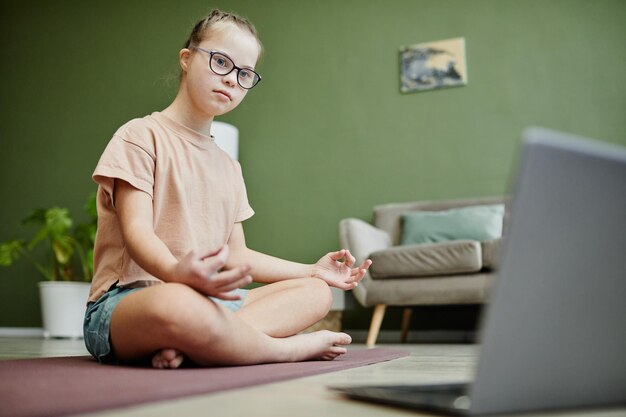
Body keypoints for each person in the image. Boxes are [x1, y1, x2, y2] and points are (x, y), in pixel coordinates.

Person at [83, 9, 372, 369]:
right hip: (131, 303)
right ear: (187, 59)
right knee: (177, 303)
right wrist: (176, 275)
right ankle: (284, 349)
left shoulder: (229, 168)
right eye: (221, 62)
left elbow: (238, 257)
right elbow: (138, 231)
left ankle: (195, 345)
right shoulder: (140, 136)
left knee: (314, 294)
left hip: (206, 304)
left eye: (245, 73)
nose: (232, 79)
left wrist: (313, 271)